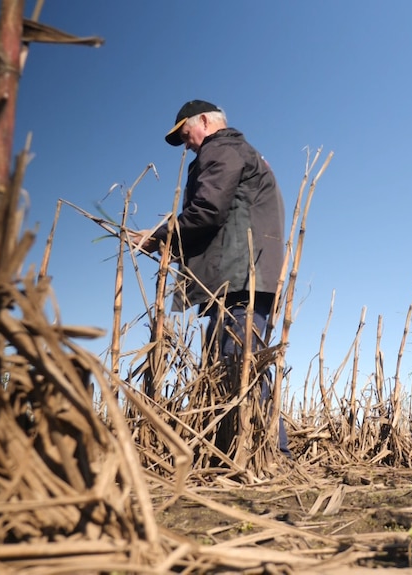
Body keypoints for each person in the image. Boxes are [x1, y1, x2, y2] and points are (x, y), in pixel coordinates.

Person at [132, 99, 290, 457]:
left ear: (204, 120)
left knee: (241, 362)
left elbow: (207, 210)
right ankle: (250, 451)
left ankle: (271, 455)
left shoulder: (221, 149)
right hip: (244, 274)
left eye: (186, 134)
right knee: (238, 362)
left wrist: (159, 236)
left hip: (238, 277)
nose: (187, 144)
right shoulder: (244, 152)